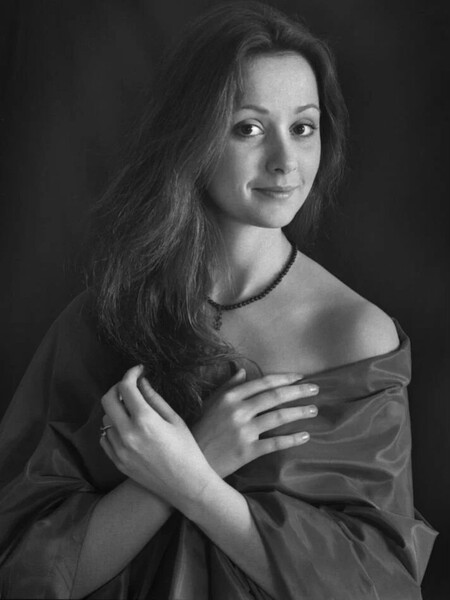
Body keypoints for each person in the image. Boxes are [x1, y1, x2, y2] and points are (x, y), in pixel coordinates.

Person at [0, 2, 437, 598]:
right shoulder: (105, 318)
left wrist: (195, 483)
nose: (285, 162)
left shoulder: (356, 335)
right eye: (248, 128)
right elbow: (29, 573)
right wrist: (199, 454)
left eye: (303, 127)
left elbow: (379, 586)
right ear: (192, 136)